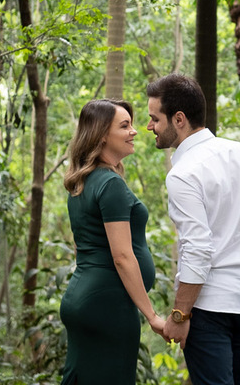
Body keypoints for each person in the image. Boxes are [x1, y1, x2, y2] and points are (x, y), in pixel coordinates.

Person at [146, 74, 240, 385]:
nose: (150, 127)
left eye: (154, 118)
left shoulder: (183, 173)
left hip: (210, 310)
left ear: (179, 119)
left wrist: (179, 316)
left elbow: (197, 248)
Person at [60, 99, 165, 385]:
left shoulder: (84, 180)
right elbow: (122, 256)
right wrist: (152, 316)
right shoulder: (110, 184)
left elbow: (85, 245)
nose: (134, 131)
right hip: (108, 306)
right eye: (125, 125)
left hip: (83, 298)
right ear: (101, 134)